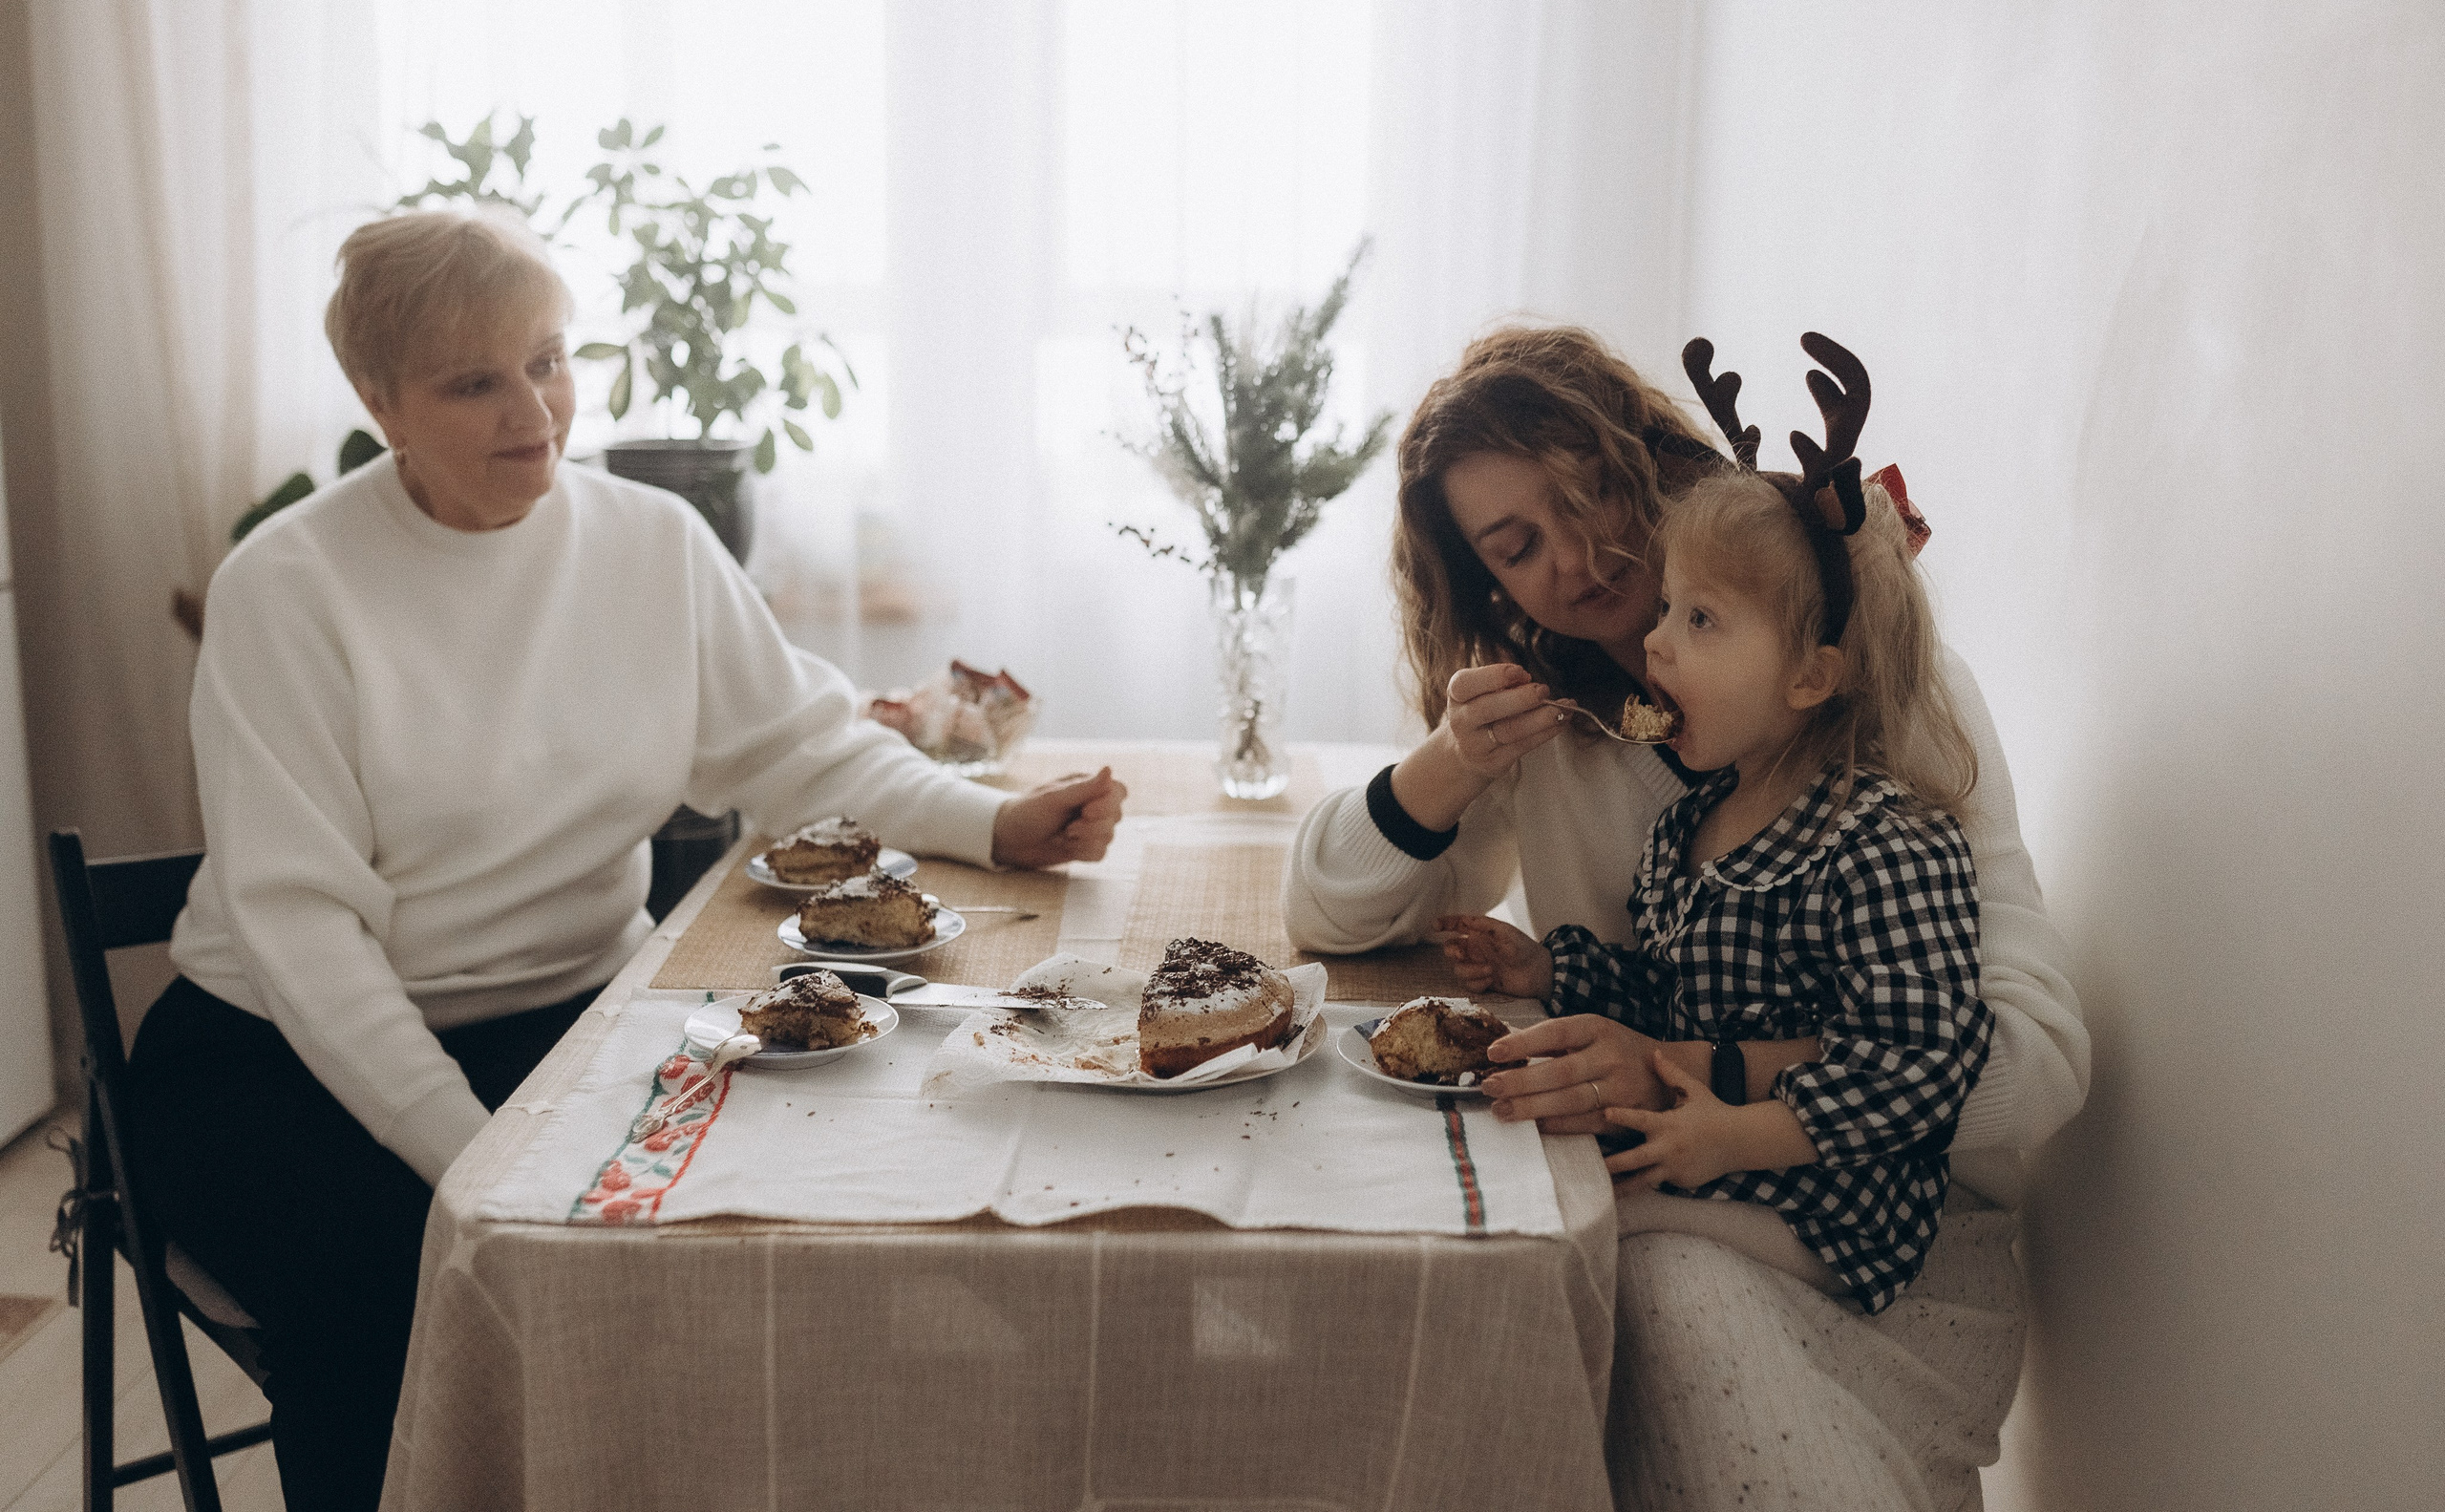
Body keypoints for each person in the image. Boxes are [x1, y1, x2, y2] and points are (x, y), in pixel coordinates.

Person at [127, 207, 1128, 1512]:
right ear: (379, 401)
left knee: (779, 1234)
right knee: (413, 1289)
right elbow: (304, 933)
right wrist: (476, 1159)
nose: (532, 407)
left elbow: (800, 749)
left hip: (572, 1023)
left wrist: (990, 822)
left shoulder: (649, 542)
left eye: (547, 359)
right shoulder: (290, 585)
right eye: (474, 379)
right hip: (281, 1059)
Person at [1282, 325, 2089, 1508]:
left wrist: (1674, 1074)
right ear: (1488, 586)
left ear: (1656, 464)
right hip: (1672, 1206)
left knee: (1598, 1294)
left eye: (1591, 496)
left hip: (1891, 1252)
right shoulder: (1558, 729)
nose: (1578, 560)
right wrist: (1450, 763)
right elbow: (1324, 913)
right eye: (1518, 547)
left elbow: (2036, 1062)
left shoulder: (1865, 684)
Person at [1436, 345, 1993, 1314]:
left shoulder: (1883, 840)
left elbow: (1920, 1057)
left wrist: (1737, 1130)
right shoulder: (1690, 823)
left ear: (1813, 675)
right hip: (1725, 1156)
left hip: (1828, 1203)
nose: (1653, 644)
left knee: (1558, 1241)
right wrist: (1551, 972)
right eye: (1665, 611)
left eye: (1698, 620)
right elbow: (1672, 989)